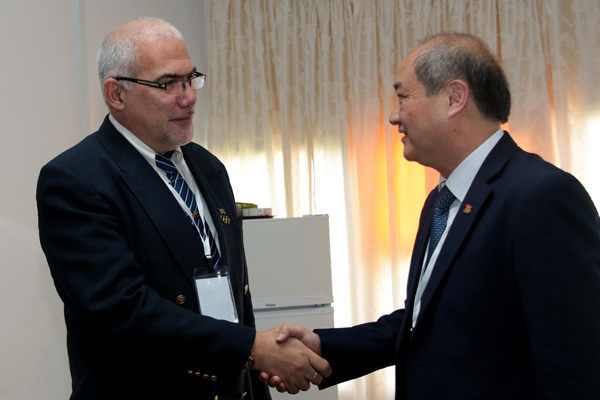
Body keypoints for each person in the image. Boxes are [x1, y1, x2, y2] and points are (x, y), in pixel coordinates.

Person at [265, 32, 600, 399]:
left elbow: (576, 364)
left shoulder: (541, 196)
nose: (393, 115)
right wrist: (323, 346)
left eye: (402, 96)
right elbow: (424, 323)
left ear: (454, 98)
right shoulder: (440, 201)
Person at [36, 17, 329, 400]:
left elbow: (238, 299)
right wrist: (252, 349)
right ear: (116, 93)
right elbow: (122, 312)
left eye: (190, 79)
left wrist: (253, 371)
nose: (188, 96)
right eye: (168, 84)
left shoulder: (207, 167)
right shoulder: (76, 179)